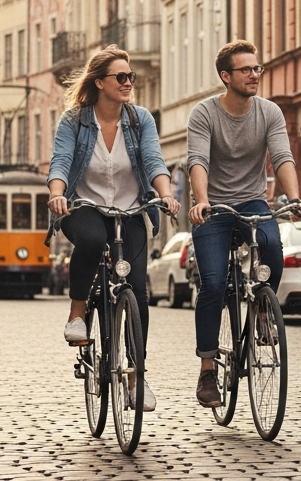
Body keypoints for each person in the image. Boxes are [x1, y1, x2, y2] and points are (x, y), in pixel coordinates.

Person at [47, 45, 178, 412]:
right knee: (92, 239)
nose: (128, 83)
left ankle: (137, 377)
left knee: (138, 290)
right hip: (84, 207)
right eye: (120, 77)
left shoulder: (140, 120)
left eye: (130, 76)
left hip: (130, 209)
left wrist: (166, 194)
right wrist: (57, 194)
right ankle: (77, 313)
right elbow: (61, 161)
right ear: (100, 82)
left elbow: (153, 159)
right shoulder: (74, 121)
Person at [185, 40, 301, 409]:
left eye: (257, 69)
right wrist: (202, 200)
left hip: (252, 201)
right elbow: (197, 160)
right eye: (246, 70)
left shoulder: (269, 112)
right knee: (212, 284)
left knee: (272, 246)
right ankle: (208, 370)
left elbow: (282, 156)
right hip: (213, 206)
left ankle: (262, 314)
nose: (254, 74)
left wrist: (294, 198)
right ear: (226, 76)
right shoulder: (204, 113)